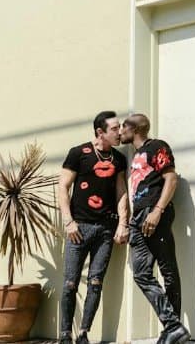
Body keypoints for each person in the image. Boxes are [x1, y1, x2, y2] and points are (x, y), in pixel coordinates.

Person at [57, 110, 129, 344]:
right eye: (115, 128)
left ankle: (83, 334)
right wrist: (69, 222)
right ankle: (65, 334)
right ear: (101, 132)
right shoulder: (78, 153)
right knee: (70, 283)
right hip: (78, 229)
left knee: (96, 283)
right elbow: (62, 188)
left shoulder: (119, 159)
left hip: (105, 231)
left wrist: (122, 224)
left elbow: (121, 193)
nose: (120, 132)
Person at [120, 112, 190, 344]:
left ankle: (173, 330)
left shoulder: (157, 146)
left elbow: (171, 179)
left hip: (154, 212)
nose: (120, 131)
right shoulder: (137, 155)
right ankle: (173, 326)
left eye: (123, 127)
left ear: (135, 129)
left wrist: (157, 211)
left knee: (168, 270)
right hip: (139, 217)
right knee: (141, 273)